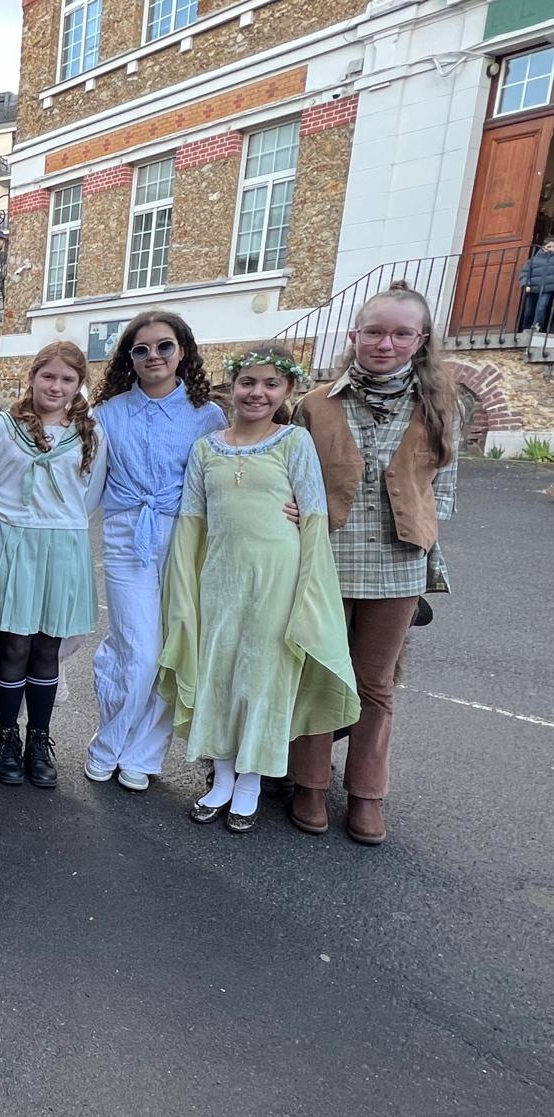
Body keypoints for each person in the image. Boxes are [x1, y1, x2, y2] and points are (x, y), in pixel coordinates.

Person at [157, 347, 360, 833]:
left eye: (271, 384)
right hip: (221, 579)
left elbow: (312, 517)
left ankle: (250, 784)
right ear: (234, 386)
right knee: (220, 672)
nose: (258, 392)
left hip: (277, 577)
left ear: (286, 391)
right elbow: (191, 521)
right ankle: (222, 778)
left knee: (264, 677)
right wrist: (184, 588)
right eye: (249, 382)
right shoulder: (208, 448)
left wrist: (310, 589)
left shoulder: (294, 443)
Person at [288, 283, 463, 845]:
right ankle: (310, 783)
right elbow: (289, 472)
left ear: (420, 340)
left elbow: (445, 482)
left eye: (401, 333)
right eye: (375, 331)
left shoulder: (439, 404)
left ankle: (366, 795)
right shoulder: (316, 404)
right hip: (325, 560)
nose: (386, 343)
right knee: (318, 675)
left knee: (376, 685)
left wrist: (426, 520)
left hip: (400, 563)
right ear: (354, 336)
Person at [84, 312, 229, 792]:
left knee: (171, 650)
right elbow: (88, 483)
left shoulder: (208, 414)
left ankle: (143, 754)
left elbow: (226, 481)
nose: (153, 357)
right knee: (138, 651)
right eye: (141, 350)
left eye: (164, 347)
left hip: (186, 537)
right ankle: (107, 742)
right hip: (128, 536)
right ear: (130, 357)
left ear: (182, 351)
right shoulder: (107, 414)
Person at [0, 341, 108, 787]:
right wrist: (15, 528)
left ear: (78, 385)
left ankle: (38, 738)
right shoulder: (1, 427)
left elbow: (90, 496)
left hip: (61, 547)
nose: (57, 385)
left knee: (47, 648)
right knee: (13, 645)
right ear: (33, 377)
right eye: (49, 376)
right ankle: (6, 738)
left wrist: (55, 525)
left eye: (68, 379)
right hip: (12, 540)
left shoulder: (90, 432)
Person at [519, 237, 554, 333]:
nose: (551, 248)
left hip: (547, 289)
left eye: (553, 247)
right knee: (529, 311)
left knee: (541, 308)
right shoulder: (534, 260)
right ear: (543, 247)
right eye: (549, 246)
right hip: (533, 288)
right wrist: (526, 285)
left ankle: (537, 327)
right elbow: (525, 273)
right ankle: (526, 328)